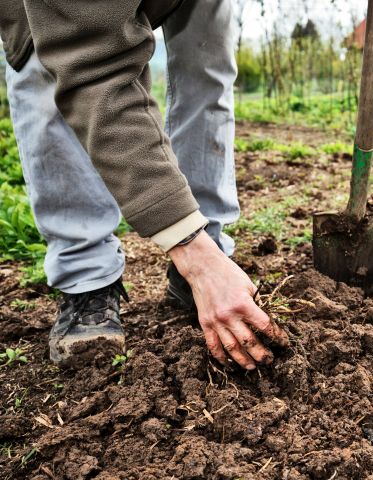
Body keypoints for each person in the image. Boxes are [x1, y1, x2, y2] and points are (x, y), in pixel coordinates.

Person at [1, 0, 289, 369]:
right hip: (55, 13)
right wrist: (189, 249)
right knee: (45, 72)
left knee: (208, 59)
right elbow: (93, 69)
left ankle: (210, 250)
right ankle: (86, 274)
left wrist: (202, 251)